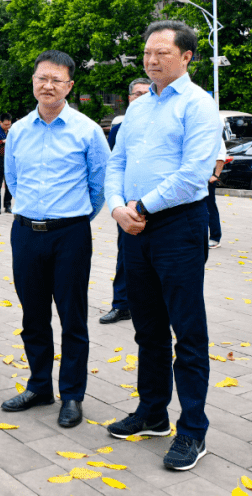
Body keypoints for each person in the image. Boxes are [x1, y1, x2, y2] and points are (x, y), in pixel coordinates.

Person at [104, 20, 220, 472]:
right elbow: (118, 162)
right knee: (147, 327)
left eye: (162, 53)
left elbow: (193, 174)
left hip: (178, 226)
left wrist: (142, 206)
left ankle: (193, 429)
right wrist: (117, 208)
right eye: (147, 53)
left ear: (187, 56)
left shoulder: (198, 104)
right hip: (133, 226)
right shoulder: (137, 108)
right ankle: (152, 412)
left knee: (187, 332)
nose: (151, 60)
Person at [0, 50, 110, 428]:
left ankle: (73, 395)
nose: (47, 86)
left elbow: (99, 186)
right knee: (33, 316)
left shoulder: (88, 130)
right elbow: (12, 181)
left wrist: (74, 218)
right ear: (33, 81)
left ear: (69, 86)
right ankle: (39, 386)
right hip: (26, 233)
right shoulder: (18, 131)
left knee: (72, 317)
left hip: (70, 235)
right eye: (41, 78)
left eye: (56, 80)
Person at [101, 77, 150, 325]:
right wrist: (118, 205)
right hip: (128, 208)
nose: (141, 97)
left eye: (146, 92)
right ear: (129, 98)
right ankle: (121, 305)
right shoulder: (120, 129)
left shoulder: (160, 123)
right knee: (125, 257)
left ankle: (153, 305)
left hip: (162, 205)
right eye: (137, 94)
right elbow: (114, 166)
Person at [205, 138, 226, 248]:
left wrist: (216, 175)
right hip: (199, 175)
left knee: (210, 207)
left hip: (209, 176)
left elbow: (221, 157)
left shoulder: (216, 134)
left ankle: (215, 237)